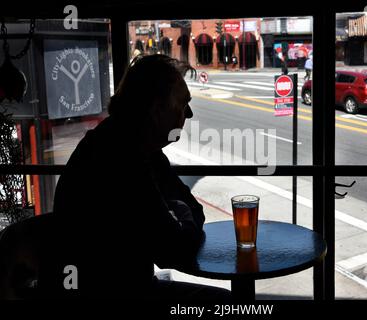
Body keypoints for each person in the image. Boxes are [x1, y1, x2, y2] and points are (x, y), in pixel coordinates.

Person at [39, 55, 232, 300]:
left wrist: (179, 213)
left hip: (123, 287)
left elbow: (191, 211)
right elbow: (174, 250)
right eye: (183, 103)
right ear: (156, 108)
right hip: (110, 295)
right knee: (227, 303)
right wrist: (181, 213)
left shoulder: (135, 145)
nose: (190, 113)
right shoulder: (122, 157)